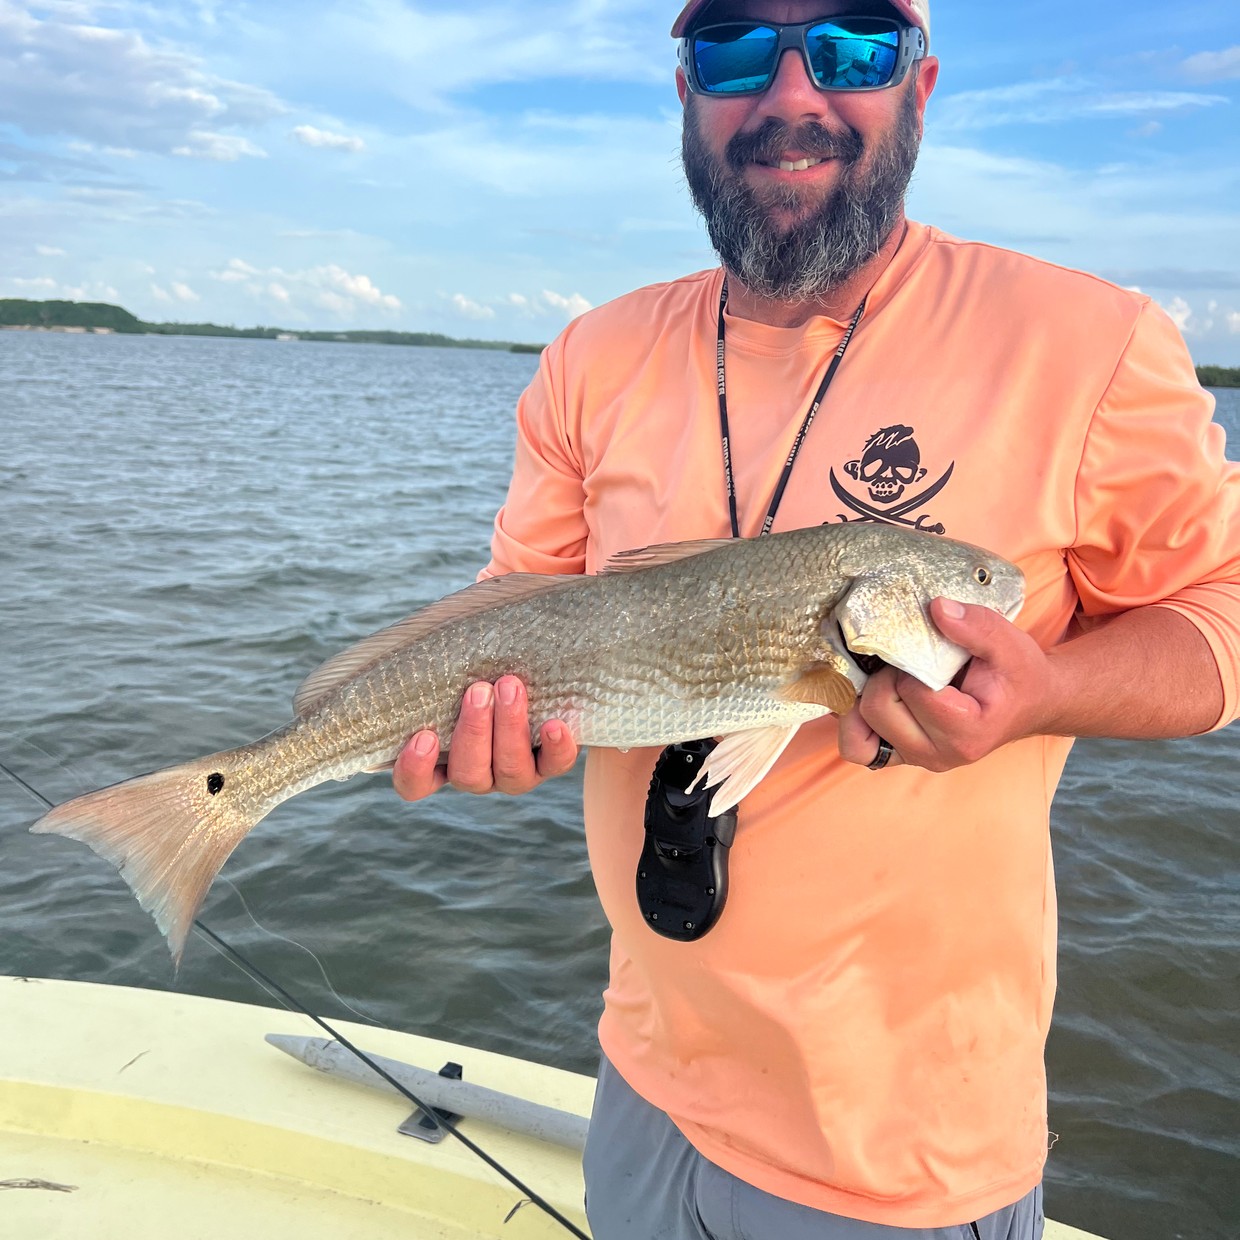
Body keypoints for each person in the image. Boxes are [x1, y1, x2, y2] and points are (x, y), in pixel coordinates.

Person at [393, 1, 1240, 1236]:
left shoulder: (1089, 341)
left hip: (898, 1153)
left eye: (852, 46)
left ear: (920, 85)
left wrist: (1047, 695)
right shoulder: (591, 354)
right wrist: (486, 725)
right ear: (686, 91)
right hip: (640, 1074)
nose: (791, 95)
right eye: (737, 47)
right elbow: (512, 606)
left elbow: (1221, 608)